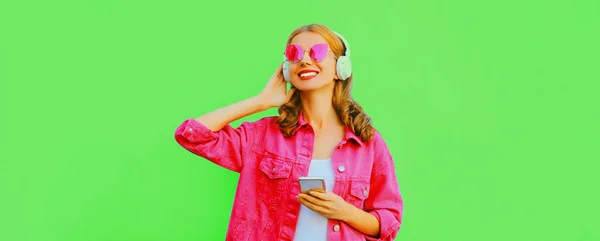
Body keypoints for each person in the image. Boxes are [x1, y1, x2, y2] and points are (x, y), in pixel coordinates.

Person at [174, 23, 404, 241]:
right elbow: (191, 134)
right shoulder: (263, 135)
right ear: (286, 69)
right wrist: (260, 101)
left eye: (317, 52)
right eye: (294, 53)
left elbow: (389, 223)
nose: (304, 60)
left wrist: (345, 211)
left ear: (340, 68)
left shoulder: (367, 143)